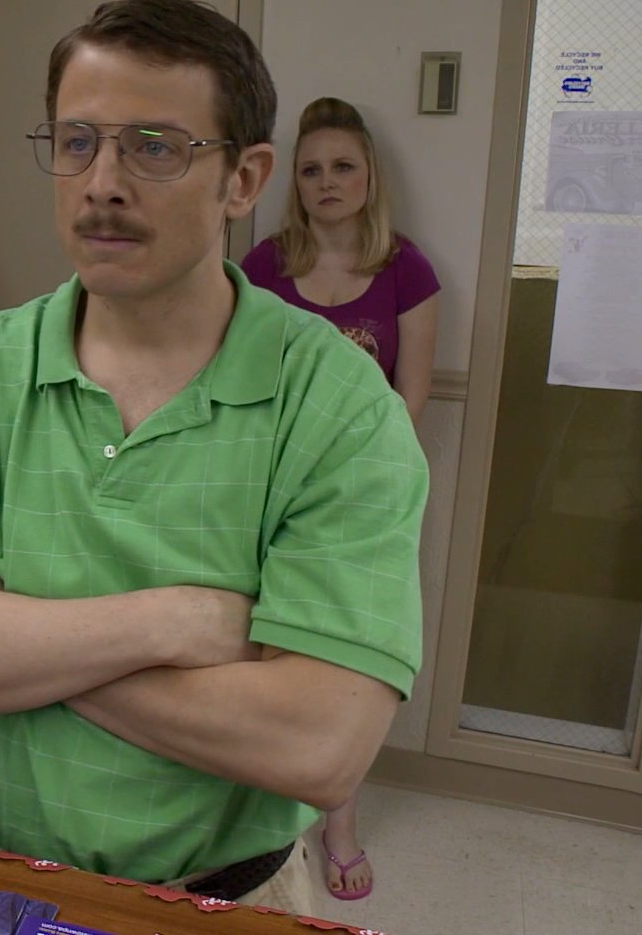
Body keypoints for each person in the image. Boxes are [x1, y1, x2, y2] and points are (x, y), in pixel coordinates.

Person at [0, 0, 427, 916]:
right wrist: (171, 624)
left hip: (227, 899)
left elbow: (321, 742)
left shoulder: (337, 406)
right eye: (77, 142)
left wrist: (6, 637)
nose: (102, 182)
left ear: (244, 180)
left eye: (155, 146)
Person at [240, 96, 441, 901]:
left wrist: (340, 486)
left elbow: (410, 403)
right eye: (312, 168)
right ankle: (257, 809)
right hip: (259, 494)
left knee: (341, 667)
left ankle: (340, 825)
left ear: (368, 177)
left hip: (357, 503)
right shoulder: (261, 269)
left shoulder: (407, 271)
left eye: (343, 167)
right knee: (262, 653)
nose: (327, 182)